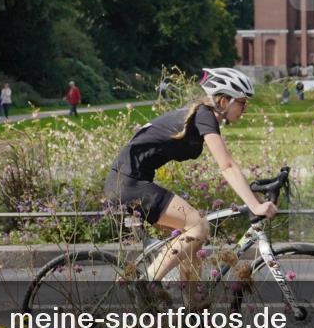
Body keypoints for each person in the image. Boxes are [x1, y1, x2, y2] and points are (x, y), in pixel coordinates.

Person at [104, 67, 276, 284]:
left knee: (193, 246)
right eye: (242, 102)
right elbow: (227, 165)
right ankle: (146, 284)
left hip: (130, 182)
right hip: (129, 184)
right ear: (223, 101)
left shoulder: (199, 115)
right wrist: (255, 204)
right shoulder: (204, 115)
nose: (245, 109)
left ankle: (193, 311)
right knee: (198, 226)